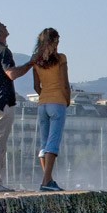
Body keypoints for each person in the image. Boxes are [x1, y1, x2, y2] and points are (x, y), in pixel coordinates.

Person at [0, 17, 32, 191]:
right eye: (3, 25)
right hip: (4, 101)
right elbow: (11, 74)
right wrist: (30, 64)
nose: (6, 26)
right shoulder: (3, 51)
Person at [30, 27, 71, 191]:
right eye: (58, 41)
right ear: (54, 42)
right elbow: (64, 83)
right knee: (53, 142)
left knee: (44, 142)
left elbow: (35, 86)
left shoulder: (36, 61)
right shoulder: (61, 59)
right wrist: (66, 100)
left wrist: (44, 95)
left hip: (42, 104)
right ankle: (46, 182)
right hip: (57, 103)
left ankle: (48, 180)